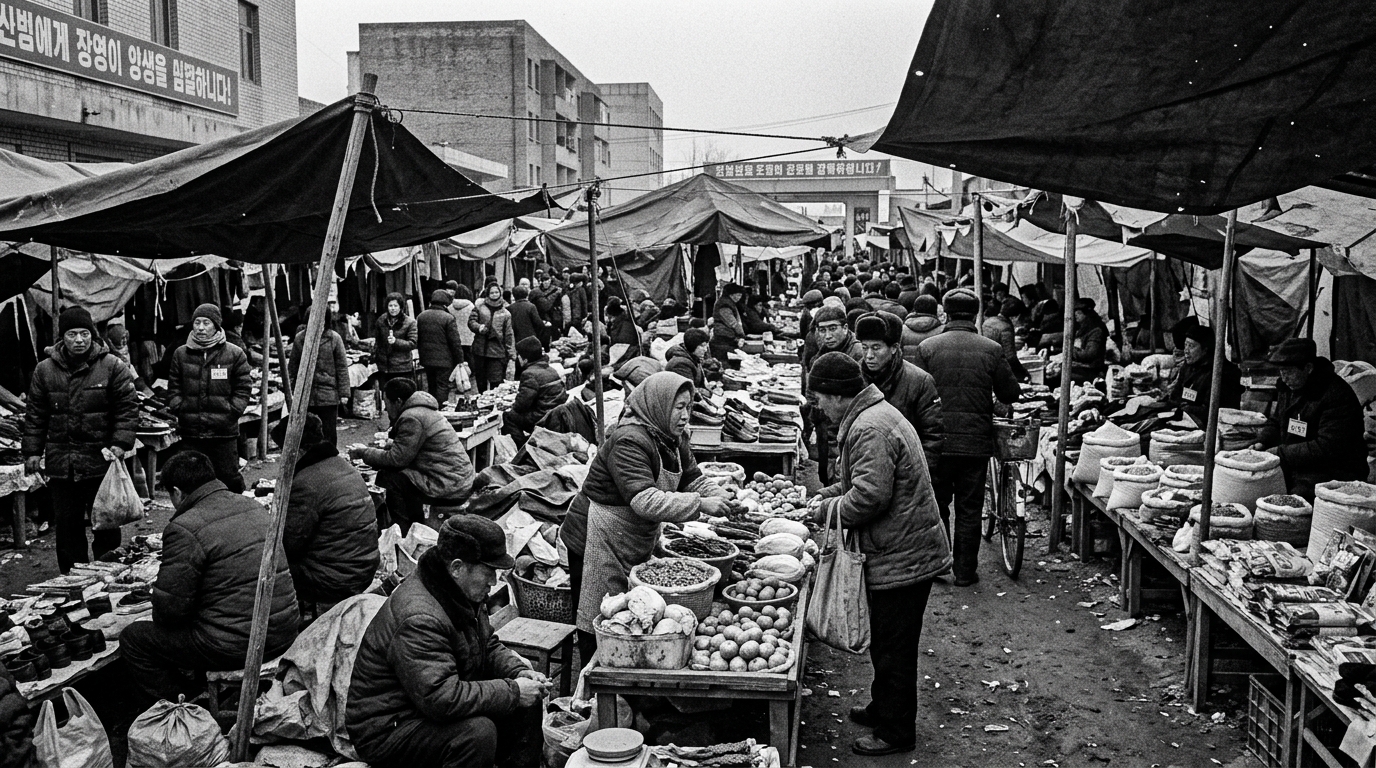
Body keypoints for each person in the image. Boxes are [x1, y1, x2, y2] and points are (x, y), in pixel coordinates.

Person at [807, 352, 950, 756]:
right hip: (901, 547)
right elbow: (859, 481)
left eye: (819, 399)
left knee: (893, 647)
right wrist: (828, 494)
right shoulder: (871, 415)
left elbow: (870, 496)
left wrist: (826, 510)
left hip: (903, 555)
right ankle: (882, 707)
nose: (819, 408)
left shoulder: (869, 427)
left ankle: (896, 731)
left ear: (837, 395)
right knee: (886, 641)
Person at [347, 515, 548, 768]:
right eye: (488, 571)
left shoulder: (462, 591)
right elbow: (441, 698)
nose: (494, 581)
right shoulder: (419, 618)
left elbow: (487, 645)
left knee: (527, 702)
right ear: (457, 567)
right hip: (387, 729)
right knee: (477, 734)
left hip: (424, 709)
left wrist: (518, 672)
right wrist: (513, 691)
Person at [120, 451, 299, 710]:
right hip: (284, 630)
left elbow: (169, 611)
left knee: (135, 638)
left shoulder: (185, 527)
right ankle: (193, 691)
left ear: (178, 492)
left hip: (238, 646)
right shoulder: (253, 506)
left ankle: (177, 709)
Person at [574, 372, 732, 654]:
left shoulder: (672, 437)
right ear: (658, 405)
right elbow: (644, 500)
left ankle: (628, 674)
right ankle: (594, 686)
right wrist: (699, 504)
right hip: (596, 535)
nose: (685, 415)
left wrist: (717, 493)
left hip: (634, 534)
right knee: (600, 612)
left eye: (689, 407)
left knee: (635, 612)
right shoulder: (629, 440)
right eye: (678, 407)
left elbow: (692, 477)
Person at [915, 289, 1020, 586]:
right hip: (975, 444)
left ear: (944, 314)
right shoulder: (990, 349)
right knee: (970, 508)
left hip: (936, 441)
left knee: (937, 505)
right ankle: (964, 572)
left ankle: (940, 564)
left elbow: (918, 396)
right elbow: (1010, 392)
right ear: (975, 315)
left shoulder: (927, 347)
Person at [23, 306, 138, 573]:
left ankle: (109, 575)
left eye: (84, 333)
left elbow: (128, 408)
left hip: (101, 461)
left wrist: (120, 443)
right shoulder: (45, 370)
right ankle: (73, 579)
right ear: (62, 337)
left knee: (107, 523)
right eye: (72, 334)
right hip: (62, 465)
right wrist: (31, 451)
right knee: (67, 527)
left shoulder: (112, 366)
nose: (78, 340)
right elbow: (36, 415)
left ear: (93, 335)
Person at [273, 414, 379, 622]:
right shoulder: (341, 465)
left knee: (266, 565)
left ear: (297, 449)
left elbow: (288, 545)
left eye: (282, 451)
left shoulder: (307, 482)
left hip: (335, 578)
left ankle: (288, 629)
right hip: (363, 565)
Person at [351, 377, 475, 533]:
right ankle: (412, 523)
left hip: (449, 485)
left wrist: (363, 453)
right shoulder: (423, 411)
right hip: (457, 479)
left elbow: (396, 459)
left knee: (389, 478)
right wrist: (388, 445)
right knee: (401, 477)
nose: (385, 409)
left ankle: (402, 532)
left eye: (386, 402)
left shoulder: (411, 417)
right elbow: (412, 448)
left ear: (397, 401)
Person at [1260, 338, 1368, 499]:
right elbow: (1277, 420)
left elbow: (1327, 446)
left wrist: (1279, 452)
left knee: (1295, 498)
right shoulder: (1289, 388)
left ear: (1308, 368)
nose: (1284, 378)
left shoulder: (1335, 395)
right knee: (1262, 485)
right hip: (1297, 463)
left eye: (1288, 372)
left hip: (1334, 470)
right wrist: (1262, 441)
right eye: (1281, 372)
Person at [168, 303, 253, 493]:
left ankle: (234, 516)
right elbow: (173, 387)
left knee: (228, 478)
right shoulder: (180, 354)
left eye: (206, 323)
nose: (200, 327)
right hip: (191, 431)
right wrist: (180, 408)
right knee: (193, 481)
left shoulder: (234, 353)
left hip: (223, 431)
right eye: (197, 322)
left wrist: (232, 412)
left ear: (216, 326)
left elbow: (244, 388)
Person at [855, 312, 944, 473]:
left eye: (876, 348)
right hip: (862, 470)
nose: (869, 355)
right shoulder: (854, 377)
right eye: (864, 347)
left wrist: (914, 473)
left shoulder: (920, 381)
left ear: (894, 348)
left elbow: (932, 436)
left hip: (906, 473)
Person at [802, 305, 866, 484]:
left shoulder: (858, 354)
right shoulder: (820, 354)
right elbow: (812, 392)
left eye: (833, 329)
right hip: (826, 429)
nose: (827, 335)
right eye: (822, 330)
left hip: (847, 430)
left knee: (844, 479)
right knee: (826, 476)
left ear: (845, 328)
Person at [288, 307, 351, 447]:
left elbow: (342, 367)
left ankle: (330, 463)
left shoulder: (334, 338)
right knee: (309, 434)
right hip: (306, 395)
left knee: (328, 433)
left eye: (321, 319)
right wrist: (292, 390)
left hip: (328, 395)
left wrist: (344, 393)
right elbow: (293, 367)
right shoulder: (300, 339)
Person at [1166, 323, 1241, 425]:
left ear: (1205, 349)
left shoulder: (1221, 372)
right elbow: (1176, 395)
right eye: (1185, 345)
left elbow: (1214, 410)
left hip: (1206, 425)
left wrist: (1188, 409)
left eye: (1191, 346)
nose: (1186, 351)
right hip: (1183, 417)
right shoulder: (1188, 367)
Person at [502, 337, 566, 445]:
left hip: (542, 418)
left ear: (525, 359)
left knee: (508, 416)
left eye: (519, 355)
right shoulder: (551, 369)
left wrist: (511, 406)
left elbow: (521, 405)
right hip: (555, 415)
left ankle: (521, 448)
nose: (518, 357)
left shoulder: (529, 374)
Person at [417, 289, 466, 404]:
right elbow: (455, 342)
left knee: (431, 385)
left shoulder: (421, 316)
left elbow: (418, 338)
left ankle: (431, 408)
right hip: (444, 360)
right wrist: (460, 360)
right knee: (443, 386)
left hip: (426, 358)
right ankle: (442, 409)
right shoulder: (448, 318)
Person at [469, 284, 517, 392]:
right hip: (479, 350)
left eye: (496, 292)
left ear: (500, 293)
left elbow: (509, 334)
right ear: (488, 293)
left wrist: (511, 355)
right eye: (492, 292)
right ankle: (482, 403)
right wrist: (478, 327)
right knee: (481, 381)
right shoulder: (479, 308)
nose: (494, 295)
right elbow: (471, 321)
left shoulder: (506, 313)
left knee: (496, 382)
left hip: (497, 352)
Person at [373, 293, 419, 390]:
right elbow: (378, 341)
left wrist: (396, 342)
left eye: (395, 306)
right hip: (384, 368)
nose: (393, 308)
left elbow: (412, 343)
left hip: (402, 367)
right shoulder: (381, 320)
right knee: (386, 396)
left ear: (401, 307)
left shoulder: (410, 322)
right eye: (390, 306)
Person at [983, 298, 1029, 382]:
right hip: (995, 370)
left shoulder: (988, 321)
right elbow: (1010, 357)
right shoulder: (1006, 327)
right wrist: (1023, 372)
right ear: (1015, 317)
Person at [1069, 298, 1109, 382]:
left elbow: (1089, 354)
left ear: (1087, 314)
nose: (1076, 315)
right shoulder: (1082, 329)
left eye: (1079, 313)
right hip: (1082, 366)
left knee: (1060, 374)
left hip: (1091, 370)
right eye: (1075, 313)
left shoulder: (1096, 331)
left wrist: (1070, 350)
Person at [709, 283, 747, 363]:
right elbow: (732, 322)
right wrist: (741, 335)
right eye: (738, 295)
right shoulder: (724, 304)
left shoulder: (728, 303)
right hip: (723, 339)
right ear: (731, 294)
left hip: (726, 337)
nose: (739, 298)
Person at [447, 282, 477, 365]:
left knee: (458, 357)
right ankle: (471, 373)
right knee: (469, 355)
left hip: (455, 335)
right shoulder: (471, 306)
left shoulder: (450, 307)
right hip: (469, 335)